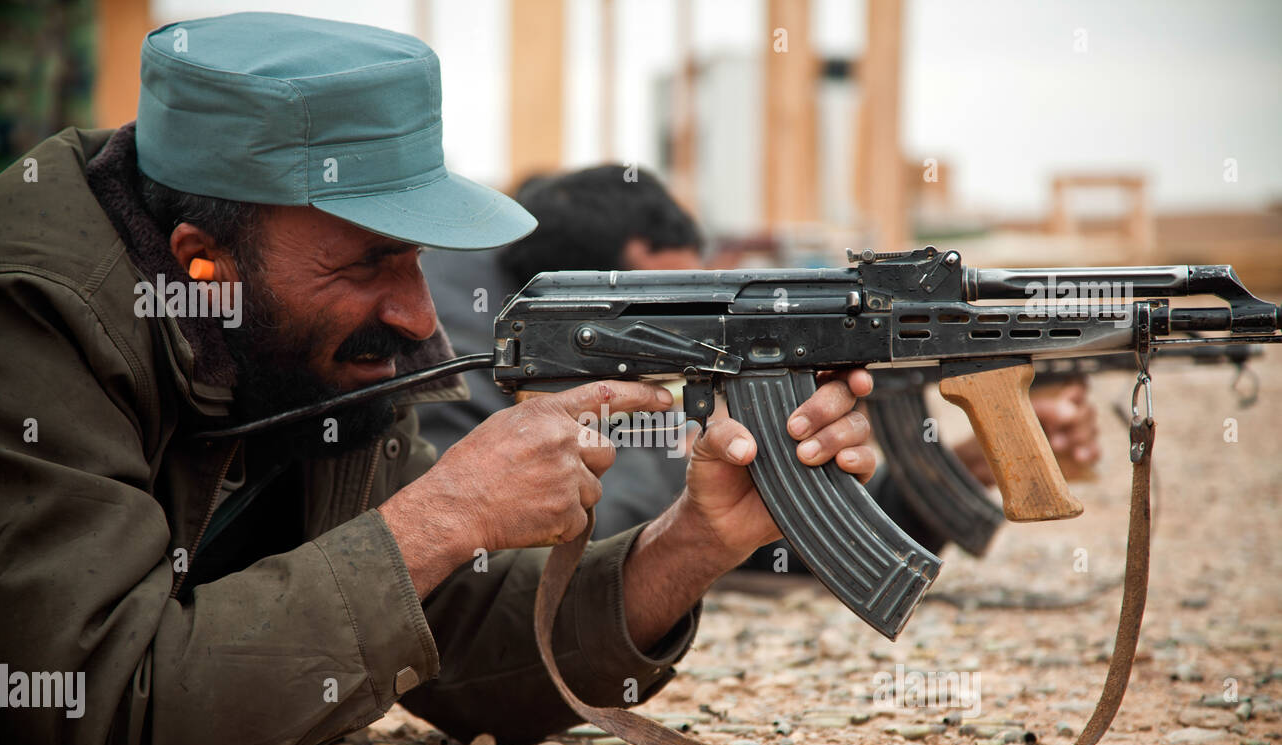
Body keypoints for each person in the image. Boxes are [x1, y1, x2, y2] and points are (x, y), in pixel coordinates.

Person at [0, 13, 878, 745]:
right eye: (368, 263)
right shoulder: (32, 318)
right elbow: (110, 719)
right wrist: (444, 512)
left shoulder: (299, 344)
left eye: (416, 258)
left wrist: (693, 540)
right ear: (201, 260)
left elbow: (469, 649)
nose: (419, 316)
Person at [418, 165, 1102, 558]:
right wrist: (691, 456)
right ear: (598, 293)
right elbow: (588, 534)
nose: (704, 325)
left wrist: (976, 459)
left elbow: (775, 538)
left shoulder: (551, 329)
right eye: (679, 301)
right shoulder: (450, 355)